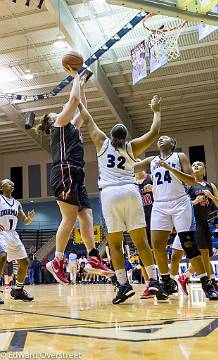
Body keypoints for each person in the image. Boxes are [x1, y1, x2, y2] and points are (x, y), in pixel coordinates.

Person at [82, 94, 168, 304]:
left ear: (110, 135)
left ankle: (123, 284)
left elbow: (87, 119)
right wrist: (156, 110)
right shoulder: (132, 147)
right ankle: (154, 281)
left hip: (110, 194)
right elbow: (154, 132)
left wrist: (79, 95)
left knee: (115, 245)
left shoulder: (101, 142)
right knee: (141, 242)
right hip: (131, 192)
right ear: (126, 136)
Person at [35, 68, 114, 285]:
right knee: (69, 218)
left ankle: (93, 257)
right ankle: (57, 260)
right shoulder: (59, 123)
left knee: (86, 216)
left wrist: (83, 84)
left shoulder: (72, 126)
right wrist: (75, 79)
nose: (57, 112)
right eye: (53, 114)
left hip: (76, 173)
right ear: (51, 122)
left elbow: (82, 106)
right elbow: (74, 98)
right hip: (64, 171)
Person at [135, 137, 218, 300]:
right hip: (159, 205)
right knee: (157, 245)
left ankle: (206, 283)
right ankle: (166, 281)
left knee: (188, 245)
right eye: (159, 138)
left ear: (172, 144)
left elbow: (191, 180)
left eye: (165, 138)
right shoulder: (152, 160)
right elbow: (134, 166)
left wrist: (169, 168)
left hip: (180, 203)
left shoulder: (180, 157)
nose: (161, 139)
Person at [170, 161, 218, 295]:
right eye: (193, 165)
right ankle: (211, 285)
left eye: (199, 165)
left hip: (204, 223)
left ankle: (185, 276)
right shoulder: (188, 185)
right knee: (204, 255)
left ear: (204, 171)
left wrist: (211, 197)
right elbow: (181, 203)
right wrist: (195, 201)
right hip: (193, 222)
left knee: (207, 257)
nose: (195, 166)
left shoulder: (211, 186)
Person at [0, 179, 35, 303]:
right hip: (1, 233)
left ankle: (18, 290)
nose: (12, 184)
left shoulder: (17, 203)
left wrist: (29, 219)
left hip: (13, 233)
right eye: (8, 183)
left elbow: (25, 220)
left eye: (12, 183)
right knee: (2, 256)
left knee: (25, 263)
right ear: (1, 187)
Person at [135, 169, 155, 299]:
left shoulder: (151, 178)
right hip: (138, 222)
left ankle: (164, 280)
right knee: (142, 254)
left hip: (155, 218)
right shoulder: (131, 183)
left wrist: (154, 189)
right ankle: (148, 284)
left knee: (157, 251)